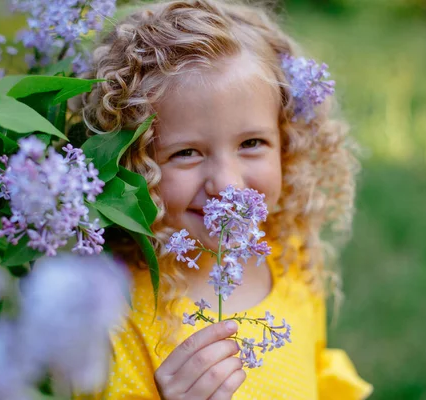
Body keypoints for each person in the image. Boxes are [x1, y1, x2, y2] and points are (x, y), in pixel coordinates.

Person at [74, 0, 373, 398]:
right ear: (133, 163)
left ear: (286, 144)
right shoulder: (118, 314)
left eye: (251, 143)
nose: (228, 185)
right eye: (186, 153)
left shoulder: (289, 259)